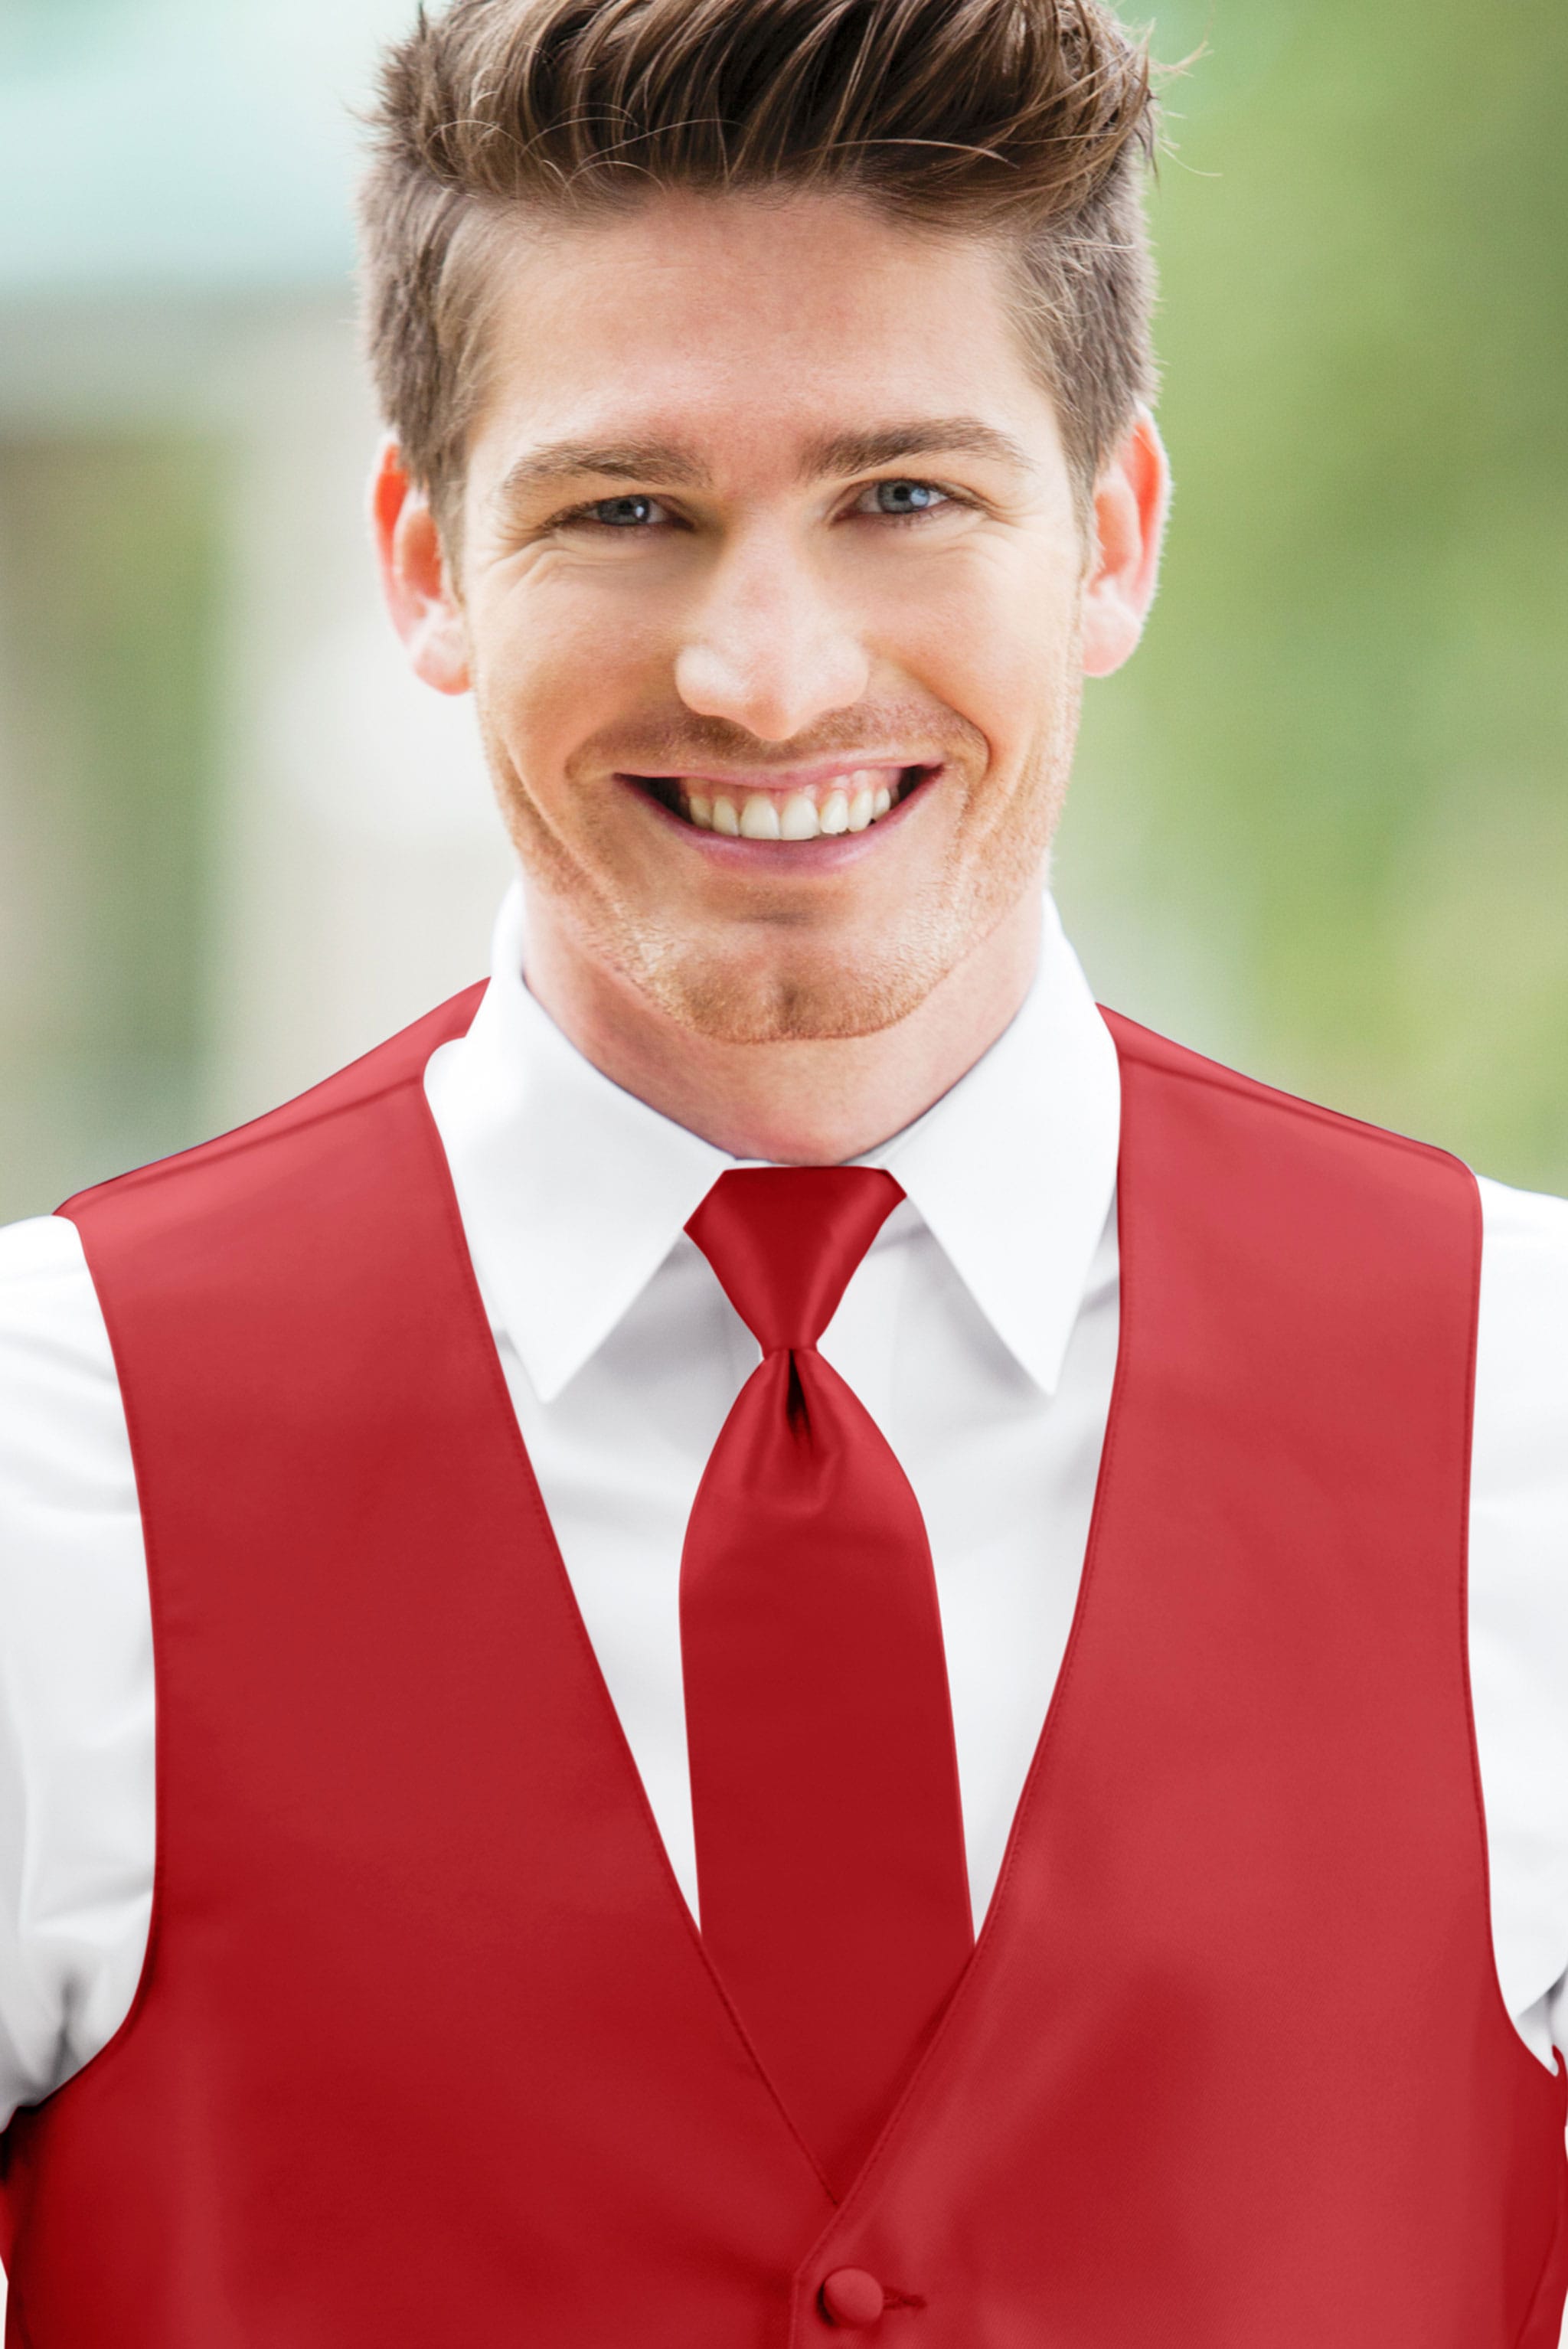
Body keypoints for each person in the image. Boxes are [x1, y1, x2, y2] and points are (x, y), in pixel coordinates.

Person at [1, 0, 1565, 2338]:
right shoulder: (49, 1452)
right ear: (424, 558)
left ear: (1113, 536)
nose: (764, 671)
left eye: (903, 495)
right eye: (626, 508)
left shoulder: (1529, 1407)